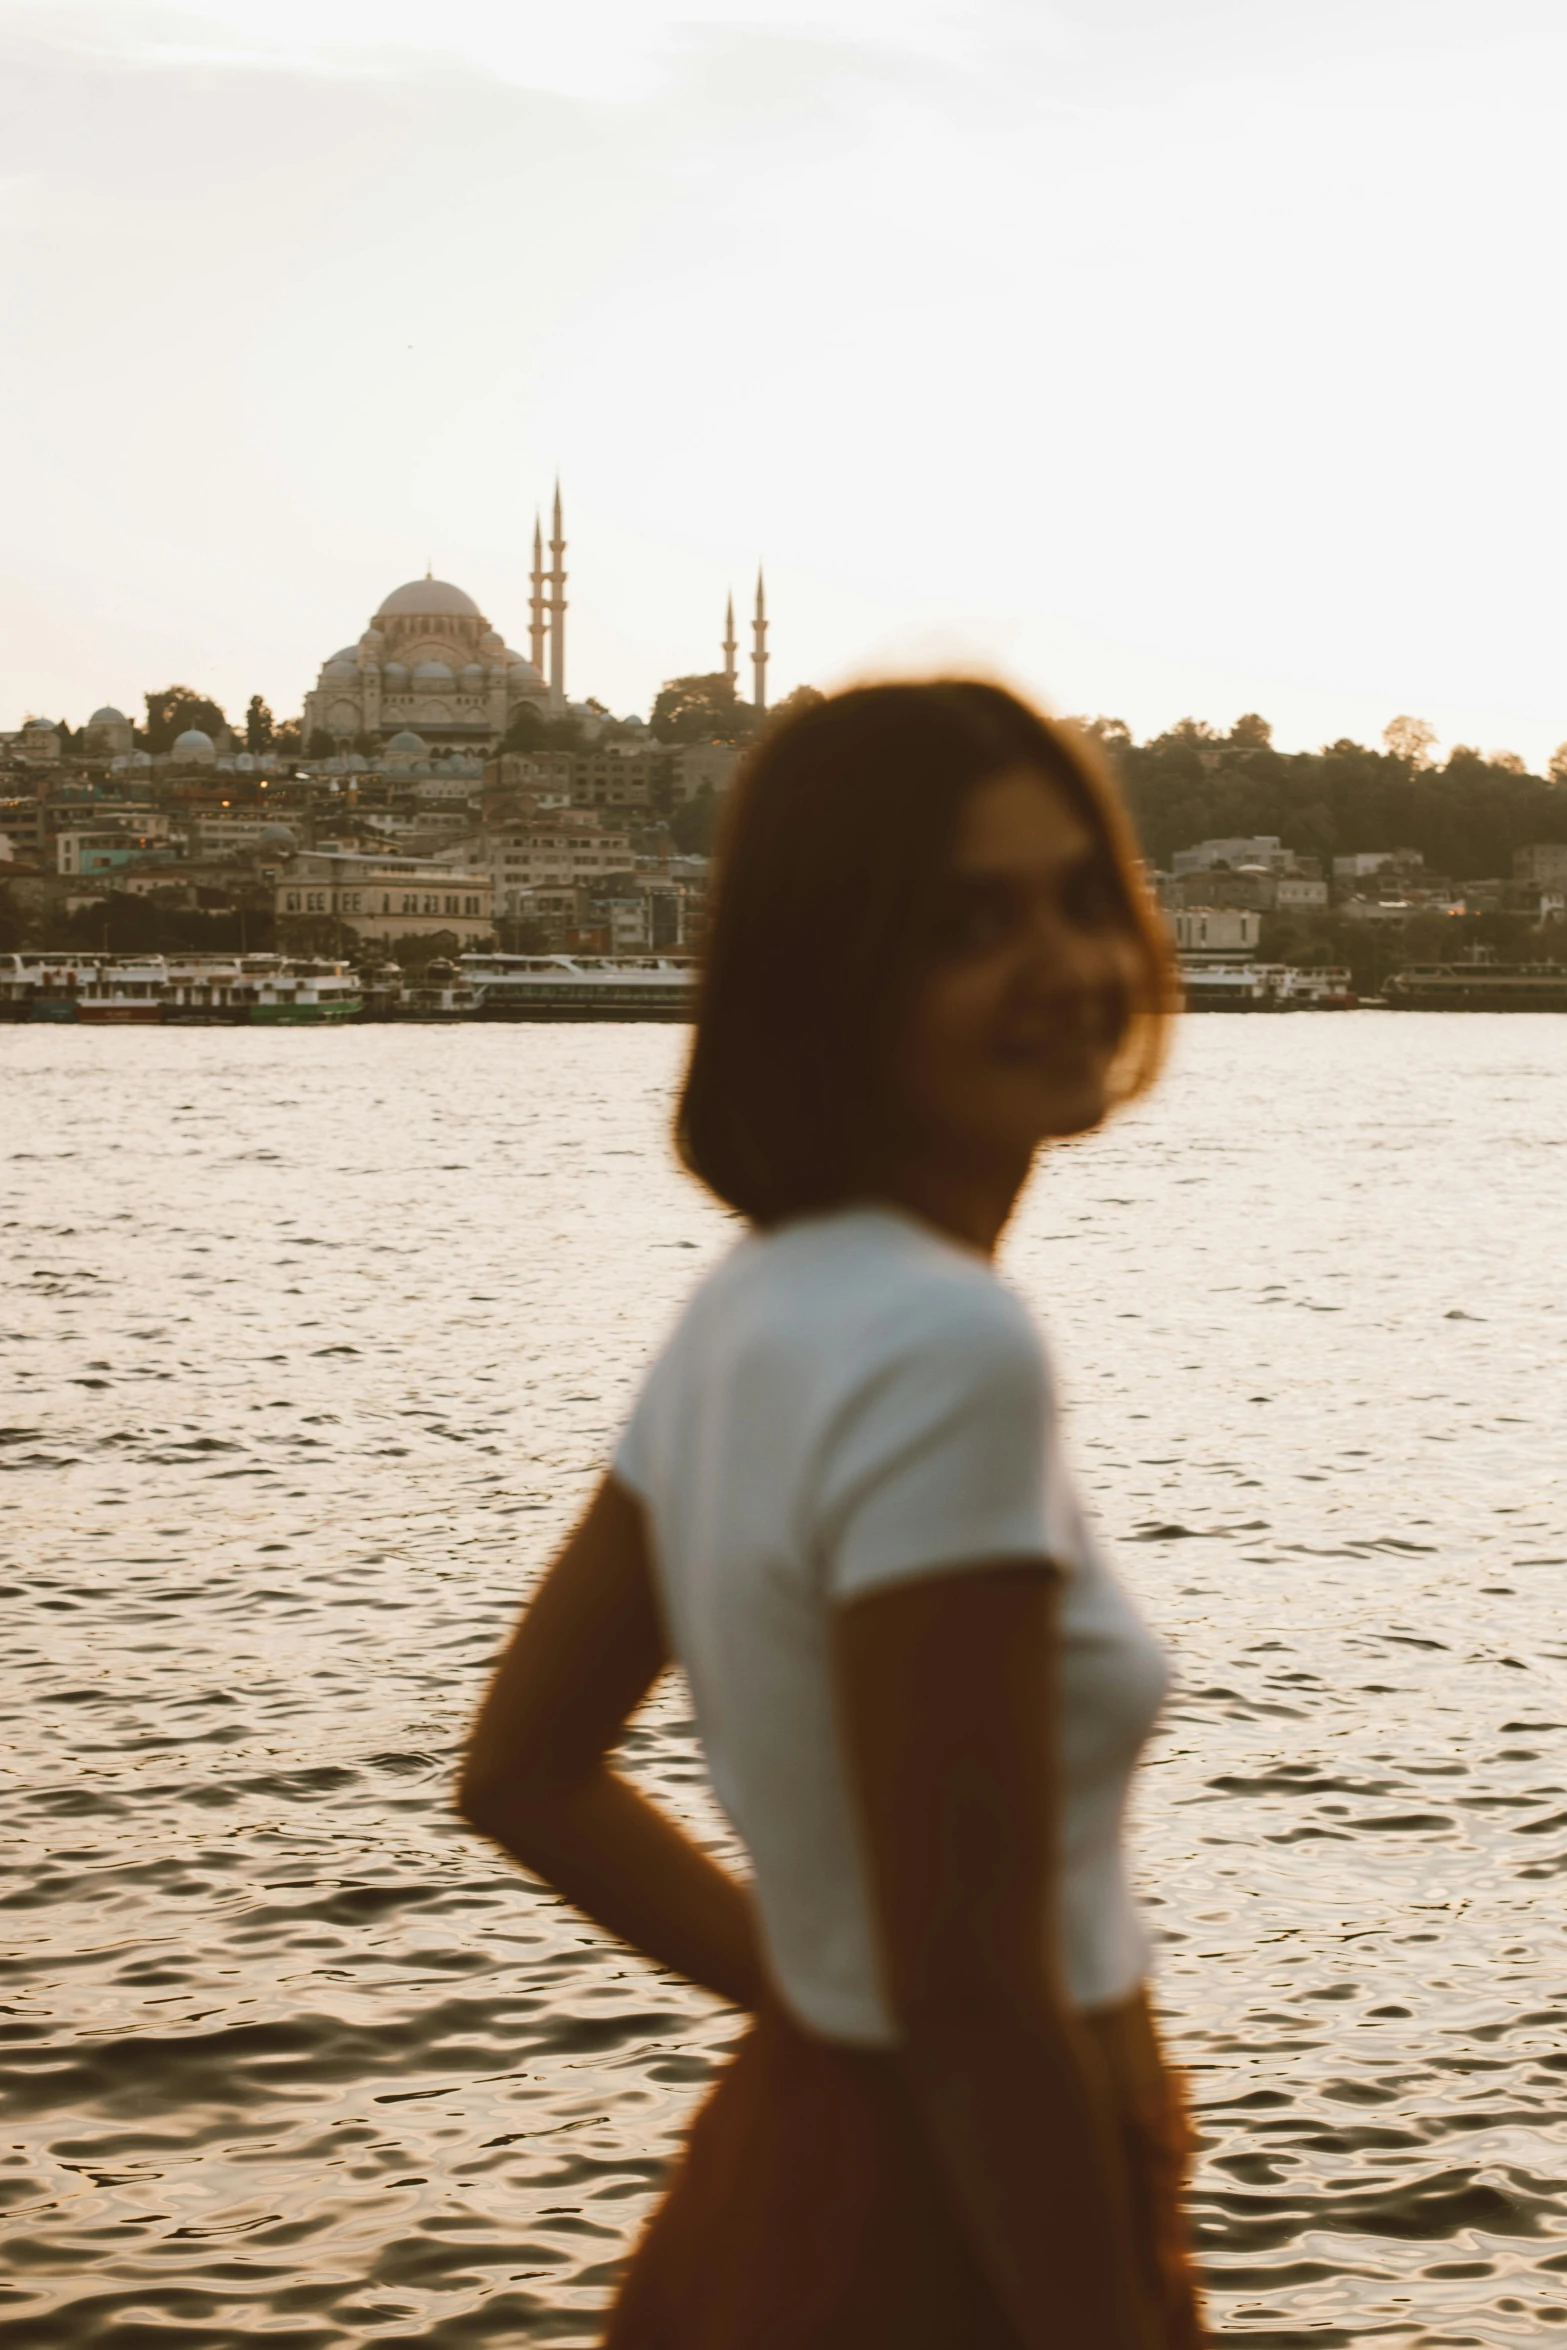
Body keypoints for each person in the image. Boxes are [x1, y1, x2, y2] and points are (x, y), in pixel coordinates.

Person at [457, 679, 1203, 2349]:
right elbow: (968, 1984)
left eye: (1081, 896)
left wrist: (812, 1996)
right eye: (966, 924)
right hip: (966, 2232)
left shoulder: (753, 1305)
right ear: (834, 981)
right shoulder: (944, 1341)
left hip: (799, 2157)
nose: (1065, 966)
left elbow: (520, 1768)